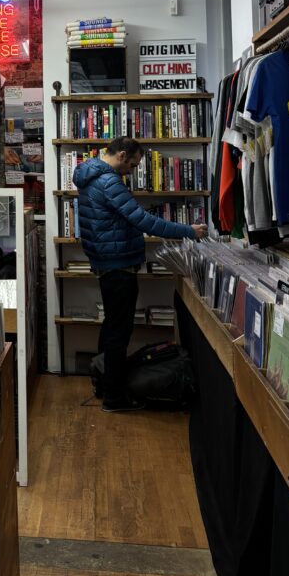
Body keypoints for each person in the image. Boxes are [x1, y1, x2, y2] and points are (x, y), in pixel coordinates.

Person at [74, 136, 207, 413]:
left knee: (112, 326)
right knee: (118, 332)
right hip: (118, 265)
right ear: (122, 155)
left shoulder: (90, 176)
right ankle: (113, 398)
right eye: (132, 165)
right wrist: (188, 231)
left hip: (105, 263)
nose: (132, 171)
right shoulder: (109, 181)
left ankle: (104, 383)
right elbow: (143, 221)